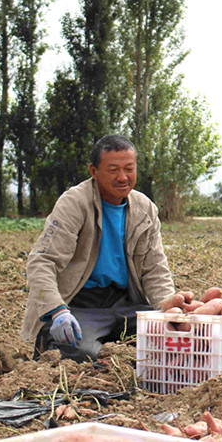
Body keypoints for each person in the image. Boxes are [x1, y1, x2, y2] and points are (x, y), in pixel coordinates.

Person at [20, 135, 176, 362]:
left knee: (170, 342)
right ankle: (54, 340)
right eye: (113, 169)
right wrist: (57, 311)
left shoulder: (145, 209)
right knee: (79, 355)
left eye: (129, 169)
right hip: (80, 305)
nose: (123, 177)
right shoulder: (75, 203)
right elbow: (42, 260)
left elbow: (155, 270)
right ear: (94, 171)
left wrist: (168, 310)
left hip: (125, 305)